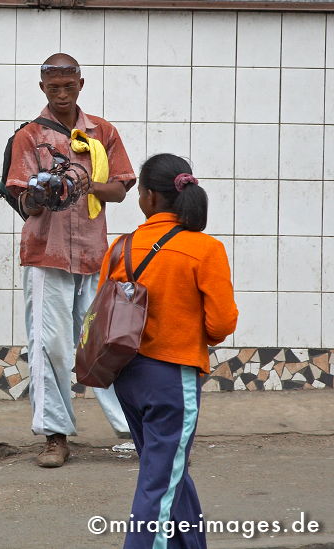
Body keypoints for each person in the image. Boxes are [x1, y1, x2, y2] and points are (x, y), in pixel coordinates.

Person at [6, 53, 136, 467]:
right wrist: (40, 195)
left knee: (104, 343)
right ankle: (55, 436)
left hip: (94, 254)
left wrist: (79, 183)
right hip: (47, 254)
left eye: (68, 86)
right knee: (50, 346)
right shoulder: (29, 136)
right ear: (42, 88)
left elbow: (118, 190)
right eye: (53, 87)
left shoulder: (103, 132)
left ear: (81, 84)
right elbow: (24, 201)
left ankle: (132, 429)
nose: (61, 94)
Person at [103, 153, 237, 549]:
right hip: (172, 378)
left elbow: (102, 314)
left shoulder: (121, 247)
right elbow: (221, 324)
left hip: (127, 377)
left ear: (147, 197)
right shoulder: (204, 249)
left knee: (166, 471)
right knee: (160, 482)